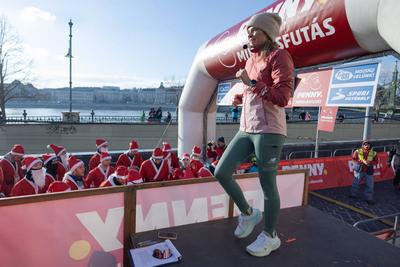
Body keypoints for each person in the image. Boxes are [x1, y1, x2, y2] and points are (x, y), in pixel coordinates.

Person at [214, 13, 294, 257]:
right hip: (246, 129)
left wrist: (250, 85)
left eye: (254, 31)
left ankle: (270, 236)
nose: (249, 35)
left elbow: (282, 97)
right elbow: (253, 89)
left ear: (268, 34)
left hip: (269, 131)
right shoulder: (250, 60)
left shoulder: (280, 56)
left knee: (268, 186)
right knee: (221, 172)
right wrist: (242, 96)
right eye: (247, 31)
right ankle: (249, 214)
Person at [350, 140, 378, 204]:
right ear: (363, 145)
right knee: (355, 183)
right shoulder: (357, 151)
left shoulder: (374, 153)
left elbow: (376, 162)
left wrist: (369, 163)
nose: (366, 146)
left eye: (368, 145)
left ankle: (368, 198)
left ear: (370, 146)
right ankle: (353, 194)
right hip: (359, 170)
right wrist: (361, 161)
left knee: (370, 185)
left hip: (369, 170)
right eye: (365, 145)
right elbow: (354, 159)